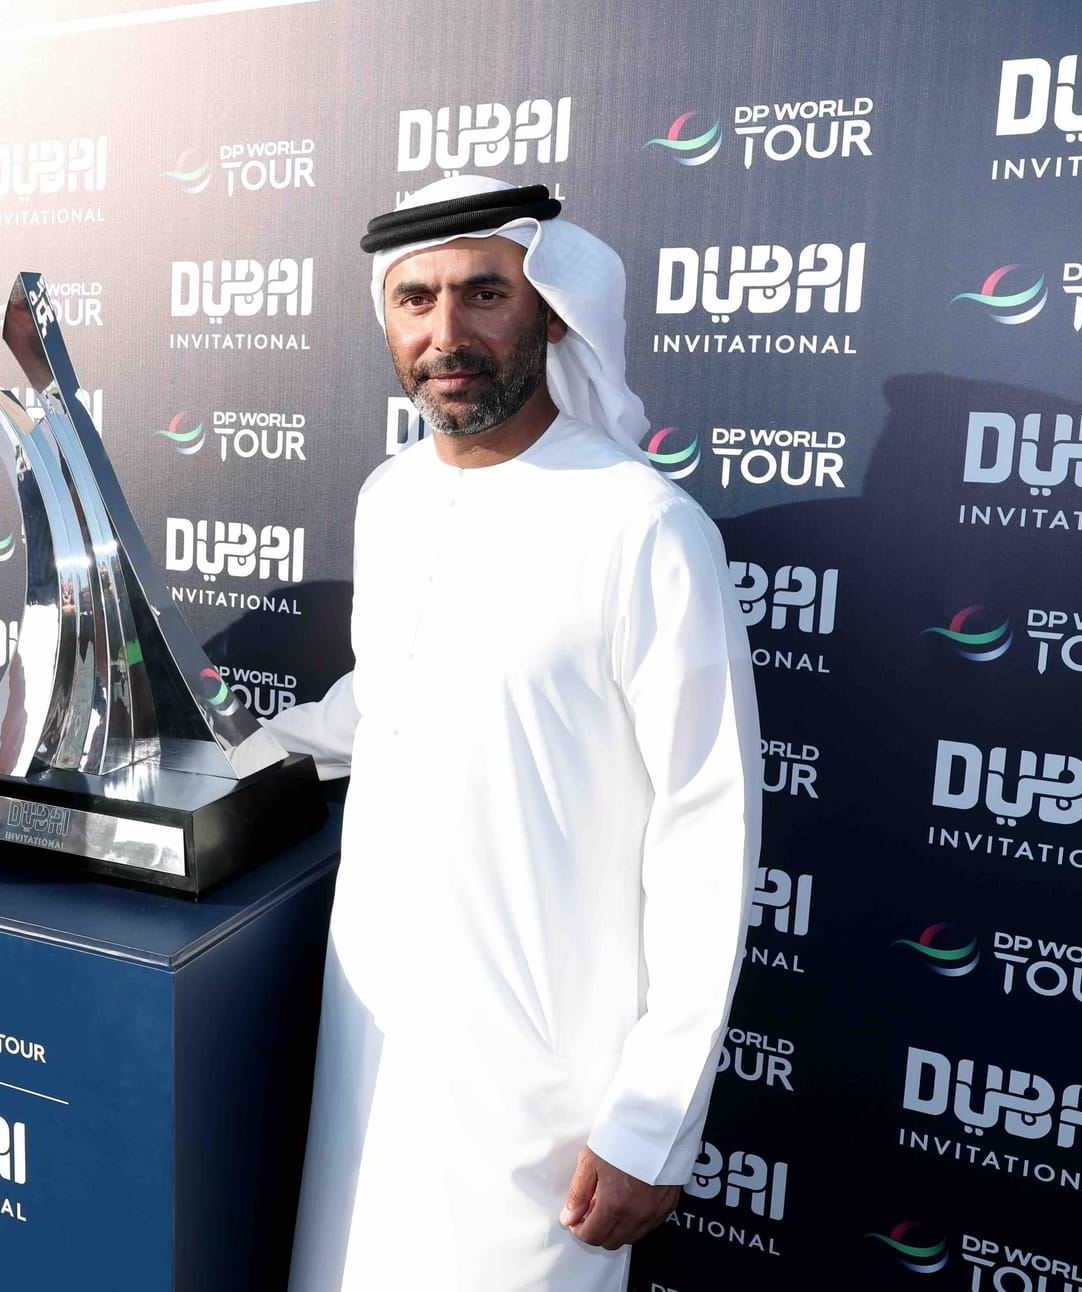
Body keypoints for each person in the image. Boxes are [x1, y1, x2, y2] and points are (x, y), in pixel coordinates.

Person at [269, 175, 762, 1291]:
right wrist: (219, 749)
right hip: (370, 1047)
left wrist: (651, 1120)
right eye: (415, 299)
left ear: (551, 312)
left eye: (483, 293)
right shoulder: (390, 496)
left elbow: (708, 828)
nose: (445, 333)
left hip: (539, 1090)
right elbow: (384, 697)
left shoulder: (642, 524)